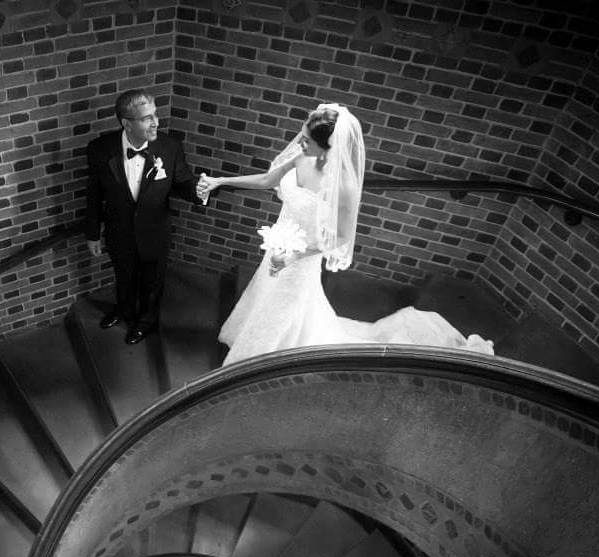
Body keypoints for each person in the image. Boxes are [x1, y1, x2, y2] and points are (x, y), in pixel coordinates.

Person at [197, 103, 494, 365]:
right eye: (301, 135)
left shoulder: (343, 188)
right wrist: (219, 181)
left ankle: (258, 361)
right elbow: (266, 179)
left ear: (329, 146)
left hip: (299, 262)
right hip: (278, 251)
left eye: (308, 140)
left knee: (283, 310)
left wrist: (292, 255)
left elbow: (338, 239)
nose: (300, 143)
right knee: (264, 294)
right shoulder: (300, 155)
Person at [85, 89, 205, 345]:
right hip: (119, 231)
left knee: (152, 282)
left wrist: (201, 191)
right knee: (124, 276)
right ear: (126, 123)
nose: (156, 123)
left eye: (156, 115)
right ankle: (124, 311)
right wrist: (93, 233)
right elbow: (94, 193)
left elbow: (183, 182)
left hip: (155, 230)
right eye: (147, 118)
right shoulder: (99, 149)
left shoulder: (169, 147)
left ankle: (146, 323)